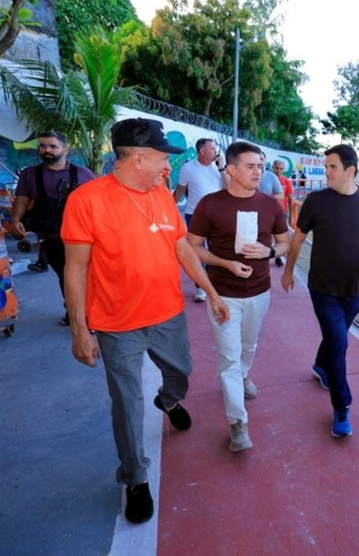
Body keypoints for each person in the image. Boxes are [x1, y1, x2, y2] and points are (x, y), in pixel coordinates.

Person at [61, 118, 229, 525]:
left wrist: (211, 291)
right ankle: (135, 477)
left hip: (167, 314)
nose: (168, 166)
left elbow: (182, 249)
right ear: (137, 159)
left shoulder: (163, 197)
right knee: (126, 402)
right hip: (116, 323)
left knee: (182, 372)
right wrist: (81, 330)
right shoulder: (87, 200)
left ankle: (169, 399)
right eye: (162, 158)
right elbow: (75, 268)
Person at [281, 144, 359, 438]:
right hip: (323, 289)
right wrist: (288, 271)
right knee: (339, 343)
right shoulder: (316, 201)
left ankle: (320, 365)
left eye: (332, 167)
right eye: (326, 166)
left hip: (355, 289)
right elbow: (298, 239)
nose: (326, 172)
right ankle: (342, 406)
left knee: (334, 338)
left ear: (350, 170)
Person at [187, 141, 289, 452]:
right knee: (228, 356)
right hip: (222, 294)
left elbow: (285, 243)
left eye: (261, 166)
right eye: (251, 166)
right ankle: (237, 423)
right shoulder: (210, 204)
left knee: (249, 344)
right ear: (231, 170)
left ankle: (243, 376)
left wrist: (269, 252)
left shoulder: (270, 205)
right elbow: (192, 247)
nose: (259, 172)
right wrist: (224, 263)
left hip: (259, 291)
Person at [9, 131, 95, 325]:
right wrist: (15, 220)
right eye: (42, 146)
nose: (47, 150)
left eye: (52, 146)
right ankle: (75, 313)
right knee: (67, 276)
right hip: (51, 236)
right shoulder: (30, 174)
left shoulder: (84, 174)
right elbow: (22, 200)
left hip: (82, 236)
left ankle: (84, 312)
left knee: (87, 275)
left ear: (65, 150)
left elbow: (99, 203)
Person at [172, 137, 226, 302]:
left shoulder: (219, 168)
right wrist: (169, 207)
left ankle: (212, 282)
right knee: (197, 251)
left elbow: (228, 187)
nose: (215, 151)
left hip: (217, 216)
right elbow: (180, 190)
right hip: (194, 215)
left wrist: (222, 168)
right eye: (212, 148)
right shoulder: (188, 168)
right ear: (202, 151)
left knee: (216, 250)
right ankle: (200, 287)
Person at [271, 159, 295, 267]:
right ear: (273, 167)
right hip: (268, 213)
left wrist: (291, 216)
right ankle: (265, 258)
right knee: (267, 237)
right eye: (277, 168)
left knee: (281, 239)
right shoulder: (267, 178)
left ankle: (278, 257)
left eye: (281, 169)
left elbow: (290, 199)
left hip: (281, 214)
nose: (279, 171)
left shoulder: (287, 181)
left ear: (284, 169)